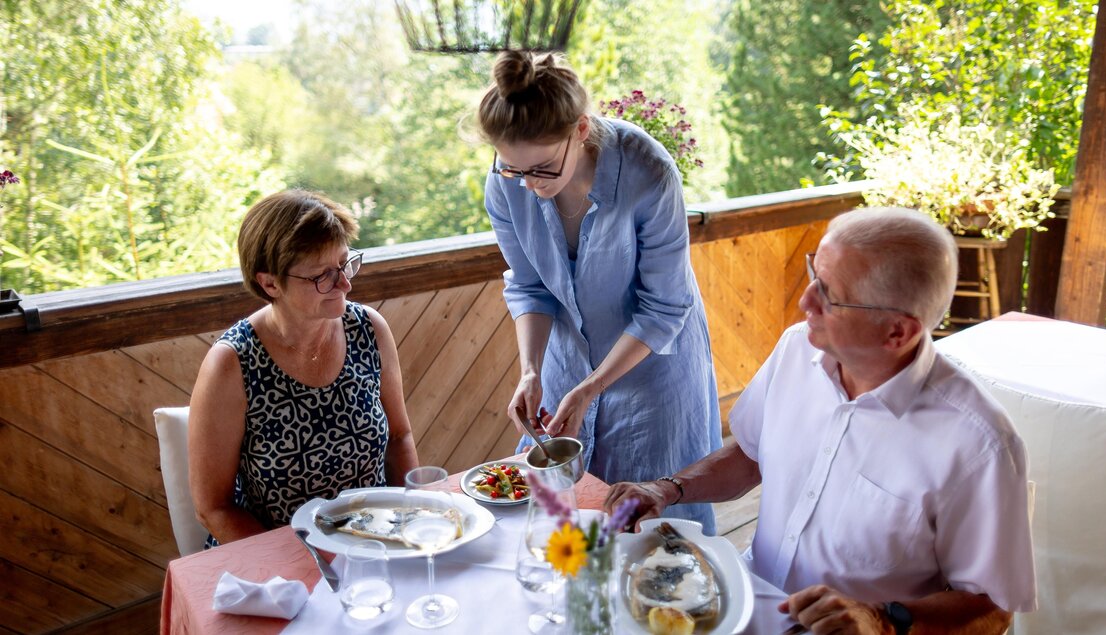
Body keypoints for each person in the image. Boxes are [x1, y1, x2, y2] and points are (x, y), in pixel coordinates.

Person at [604, 207, 1037, 634]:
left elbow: (993, 607)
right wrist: (667, 488)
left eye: (829, 294)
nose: (805, 300)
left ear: (898, 333)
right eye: (814, 272)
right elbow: (750, 455)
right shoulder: (797, 350)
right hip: (748, 608)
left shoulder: (979, 444)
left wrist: (883, 620)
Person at [477, 50, 723, 532]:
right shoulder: (507, 182)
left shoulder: (647, 171)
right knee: (562, 524)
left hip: (654, 370)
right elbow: (529, 287)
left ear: (581, 131)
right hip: (566, 364)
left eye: (543, 169)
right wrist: (530, 372)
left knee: (652, 528)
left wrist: (592, 388)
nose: (528, 185)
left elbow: (664, 307)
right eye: (513, 169)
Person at [188, 189, 418, 546]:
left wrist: (413, 522)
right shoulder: (233, 362)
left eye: (345, 263)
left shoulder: (368, 329)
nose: (345, 283)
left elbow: (398, 437)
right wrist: (300, 564)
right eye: (322, 276)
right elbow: (213, 507)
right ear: (270, 283)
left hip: (374, 544)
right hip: (275, 560)